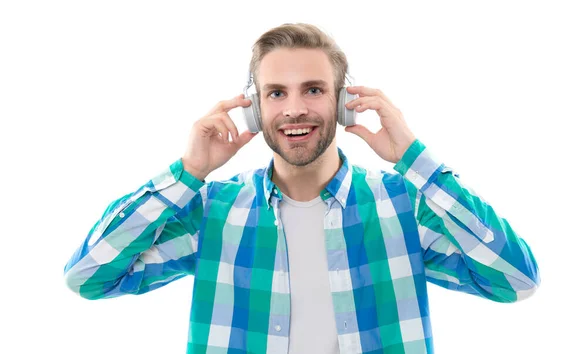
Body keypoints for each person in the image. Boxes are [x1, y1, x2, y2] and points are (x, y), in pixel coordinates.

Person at [64, 23, 540, 354]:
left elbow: (517, 279)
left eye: (313, 89)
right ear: (254, 110)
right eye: (276, 93)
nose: (294, 109)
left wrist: (416, 160)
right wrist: (188, 172)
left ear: (344, 103)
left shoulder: (404, 207)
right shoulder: (212, 213)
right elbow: (88, 275)